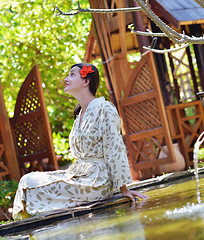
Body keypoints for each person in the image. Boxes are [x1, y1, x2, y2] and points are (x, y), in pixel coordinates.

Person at [12, 63, 148, 220]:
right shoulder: (79, 115)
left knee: (31, 185)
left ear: (86, 81)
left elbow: (114, 148)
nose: (65, 79)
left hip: (97, 181)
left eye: (72, 75)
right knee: (27, 181)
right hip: (79, 174)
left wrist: (123, 188)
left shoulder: (104, 108)